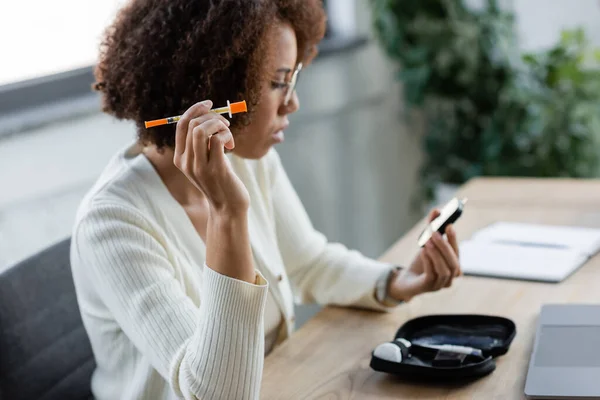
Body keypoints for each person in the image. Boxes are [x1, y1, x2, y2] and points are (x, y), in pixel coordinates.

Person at [70, 0, 462, 399]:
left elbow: (308, 264)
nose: (292, 103)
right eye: (278, 83)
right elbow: (217, 394)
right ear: (212, 89)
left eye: (293, 80)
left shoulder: (245, 161)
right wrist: (229, 215)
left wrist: (396, 281)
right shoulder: (112, 223)